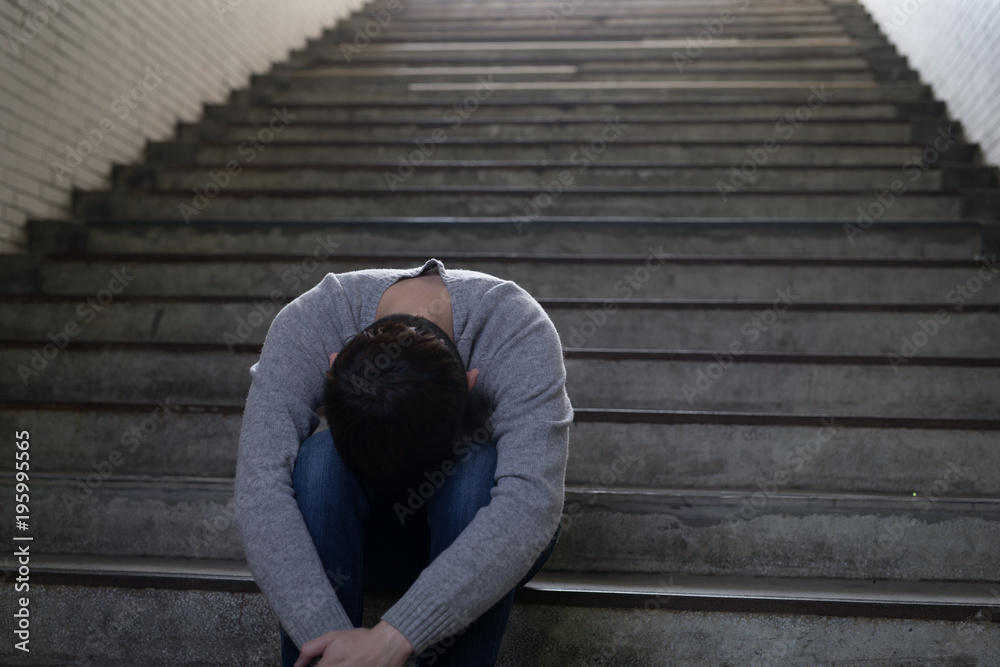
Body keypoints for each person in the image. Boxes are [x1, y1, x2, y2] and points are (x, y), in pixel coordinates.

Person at [234, 257, 573, 666]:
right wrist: (328, 642)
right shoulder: (312, 322)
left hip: (473, 536)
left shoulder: (515, 329)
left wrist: (396, 637)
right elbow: (260, 487)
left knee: (477, 468)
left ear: (470, 384)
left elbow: (532, 502)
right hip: (358, 542)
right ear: (333, 363)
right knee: (320, 460)